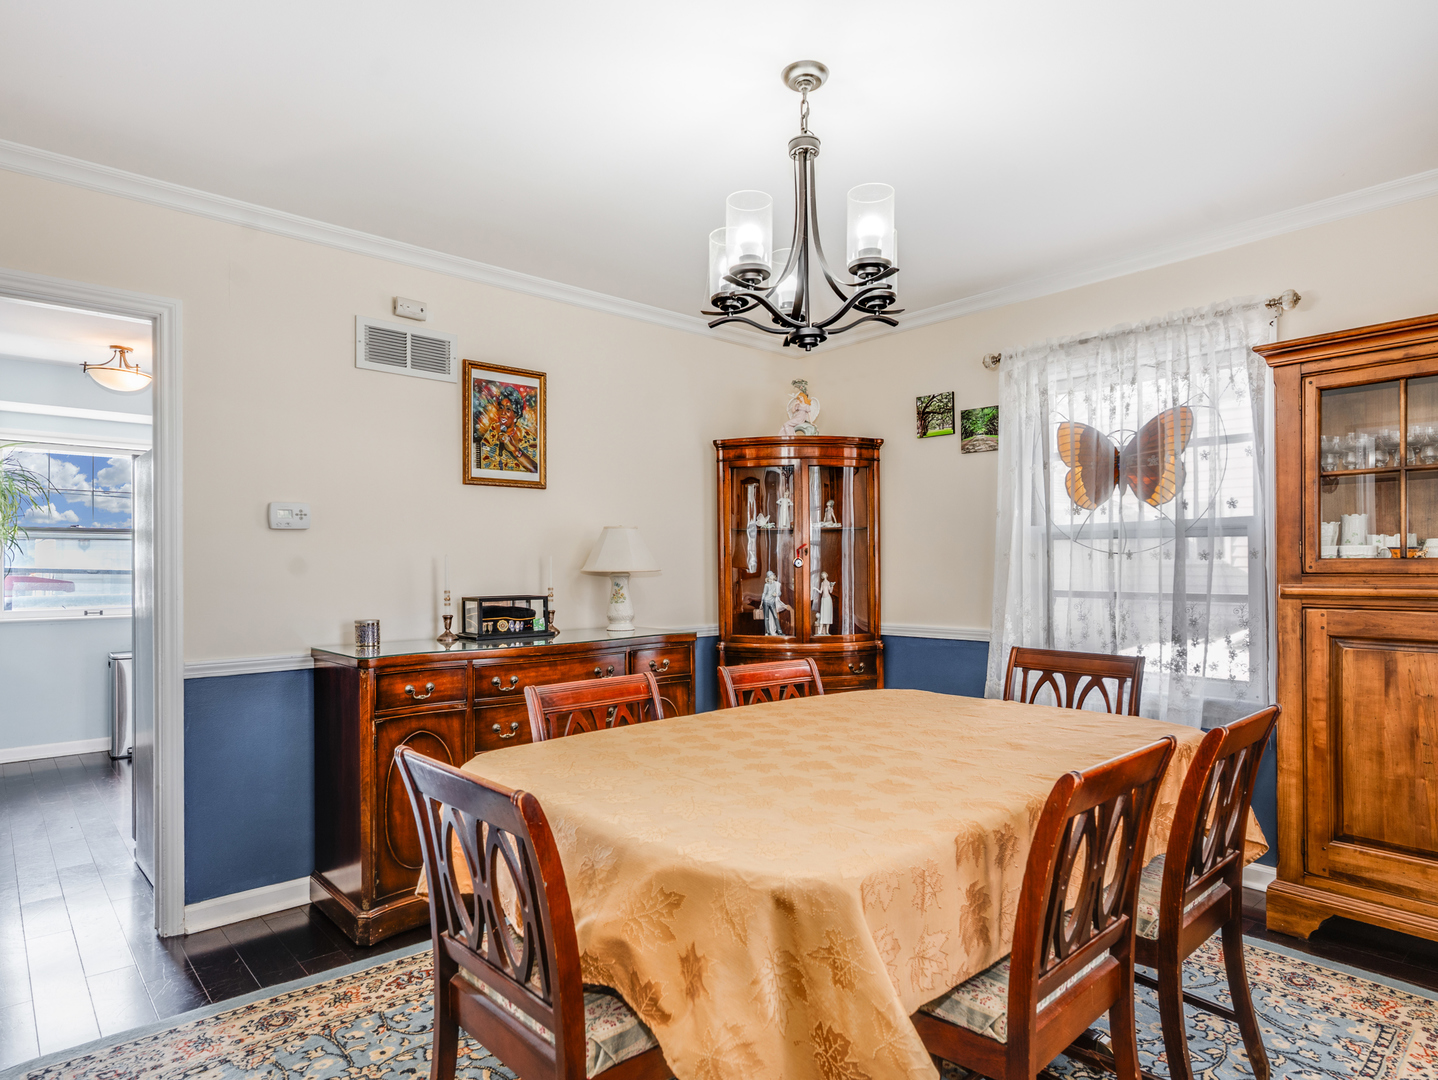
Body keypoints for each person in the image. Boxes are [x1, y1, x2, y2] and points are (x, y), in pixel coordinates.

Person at [760, 571, 789, 636]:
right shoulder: (766, 585)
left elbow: (779, 593)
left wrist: (777, 594)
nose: (771, 579)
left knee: (775, 616)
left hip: (772, 602)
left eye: (772, 577)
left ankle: (779, 632)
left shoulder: (776, 584)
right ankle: (769, 632)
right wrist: (761, 602)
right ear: (768, 578)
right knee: (766, 617)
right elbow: (764, 593)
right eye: (770, 577)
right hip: (766, 601)